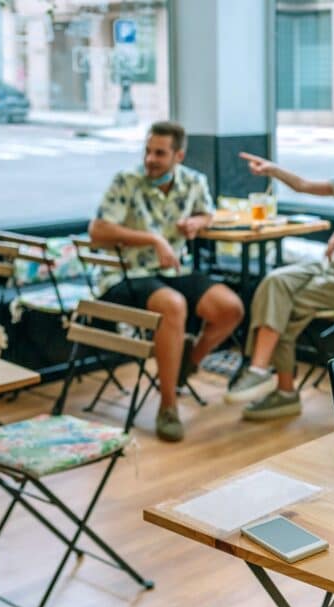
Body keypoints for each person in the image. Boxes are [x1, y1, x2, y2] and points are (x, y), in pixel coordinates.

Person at [225, 131, 334, 419]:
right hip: (328, 267)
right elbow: (302, 185)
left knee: (282, 310)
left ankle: (283, 391)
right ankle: (259, 369)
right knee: (274, 282)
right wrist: (270, 169)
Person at [88, 121, 245, 443]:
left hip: (174, 272)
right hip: (125, 274)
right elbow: (98, 231)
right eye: (148, 151)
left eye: (159, 153)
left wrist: (196, 221)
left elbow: (209, 214)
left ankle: (189, 362)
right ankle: (168, 405)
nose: (150, 159)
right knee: (173, 305)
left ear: (179, 155)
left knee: (230, 308)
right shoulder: (126, 182)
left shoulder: (193, 182)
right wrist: (153, 239)